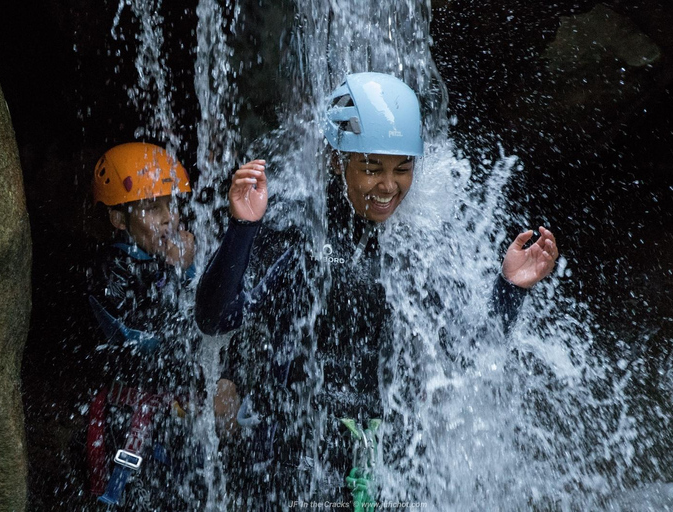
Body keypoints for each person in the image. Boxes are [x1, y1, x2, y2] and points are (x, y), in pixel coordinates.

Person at [194, 72, 559, 508]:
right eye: (372, 168)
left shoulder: (415, 244)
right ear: (336, 159)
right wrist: (242, 229)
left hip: (383, 450)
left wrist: (509, 291)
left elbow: (463, 360)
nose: (389, 186)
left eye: (402, 169)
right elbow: (216, 318)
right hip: (295, 447)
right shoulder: (298, 229)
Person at [85, 142, 247, 508]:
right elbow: (142, 337)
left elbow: (209, 322)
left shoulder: (170, 257)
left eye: (171, 204)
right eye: (150, 207)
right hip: (126, 418)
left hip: (171, 410)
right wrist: (181, 272)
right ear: (118, 219)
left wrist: (225, 379)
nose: (168, 218)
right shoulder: (110, 270)